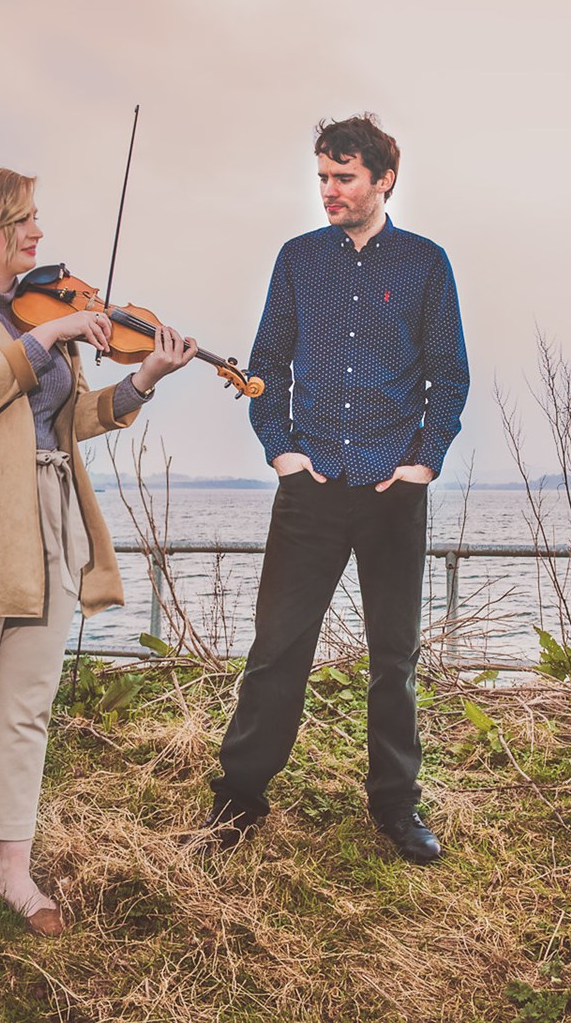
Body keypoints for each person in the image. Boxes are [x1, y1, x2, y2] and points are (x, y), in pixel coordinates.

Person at [0, 163, 199, 949]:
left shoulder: (46, 307)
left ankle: (10, 870)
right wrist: (47, 336)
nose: (37, 232)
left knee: (25, 713)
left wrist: (144, 381)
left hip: (50, 523)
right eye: (24, 219)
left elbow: (66, 419)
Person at [201, 113, 469, 862]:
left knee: (395, 657)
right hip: (311, 485)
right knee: (278, 649)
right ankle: (238, 800)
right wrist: (281, 452)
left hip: (392, 487)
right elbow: (265, 369)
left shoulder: (424, 264)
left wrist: (423, 461)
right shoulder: (298, 261)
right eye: (322, 176)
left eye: (344, 176)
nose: (329, 190)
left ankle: (396, 807)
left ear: (384, 179)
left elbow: (448, 375)